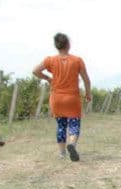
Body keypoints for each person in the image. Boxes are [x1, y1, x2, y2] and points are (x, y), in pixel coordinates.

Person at [33, 32, 91, 161]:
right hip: (72, 98)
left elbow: (35, 71)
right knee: (74, 124)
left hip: (57, 98)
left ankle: (62, 153)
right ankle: (72, 144)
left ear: (56, 46)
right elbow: (86, 79)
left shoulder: (50, 60)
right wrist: (88, 93)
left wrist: (48, 78)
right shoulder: (77, 60)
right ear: (68, 44)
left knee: (61, 126)